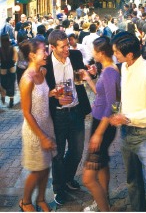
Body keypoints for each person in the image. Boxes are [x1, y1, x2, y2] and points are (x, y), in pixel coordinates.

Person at [110, 32, 146, 212]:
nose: (114, 55)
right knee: (133, 183)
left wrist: (127, 118)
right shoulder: (125, 67)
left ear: (130, 54)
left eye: (117, 52)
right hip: (127, 133)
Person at [46, 30, 90, 206]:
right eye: (62, 47)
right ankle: (59, 188)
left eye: (67, 44)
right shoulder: (46, 65)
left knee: (77, 150)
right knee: (58, 154)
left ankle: (67, 178)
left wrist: (90, 73)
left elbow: (83, 74)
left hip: (76, 110)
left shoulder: (76, 55)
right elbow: (41, 92)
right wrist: (55, 97)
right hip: (57, 114)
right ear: (52, 47)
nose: (67, 49)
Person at [82, 36, 120, 212]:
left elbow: (113, 105)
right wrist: (88, 78)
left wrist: (98, 133)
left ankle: (104, 208)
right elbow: (100, 93)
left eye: (94, 51)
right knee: (102, 164)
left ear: (101, 53)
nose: (92, 53)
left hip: (103, 126)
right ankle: (104, 200)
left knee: (88, 178)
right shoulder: (106, 70)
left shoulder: (110, 72)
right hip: (99, 122)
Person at [19, 39, 56, 212]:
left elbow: (41, 96)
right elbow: (26, 112)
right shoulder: (26, 79)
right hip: (34, 131)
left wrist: (52, 93)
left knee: (45, 166)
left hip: (46, 124)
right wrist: (42, 137)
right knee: (37, 170)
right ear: (32, 55)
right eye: (43, 51)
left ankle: (41, 198)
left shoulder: (42, 71)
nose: (46, 54)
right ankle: (25, 202)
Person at [0, 34, 18, 107]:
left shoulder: (0, 49)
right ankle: (11, 101)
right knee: (11, 84)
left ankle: (3, 96)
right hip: (11, 67)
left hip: (3, 68)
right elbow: (15, 59)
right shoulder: (13, 48)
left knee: (3, 83)